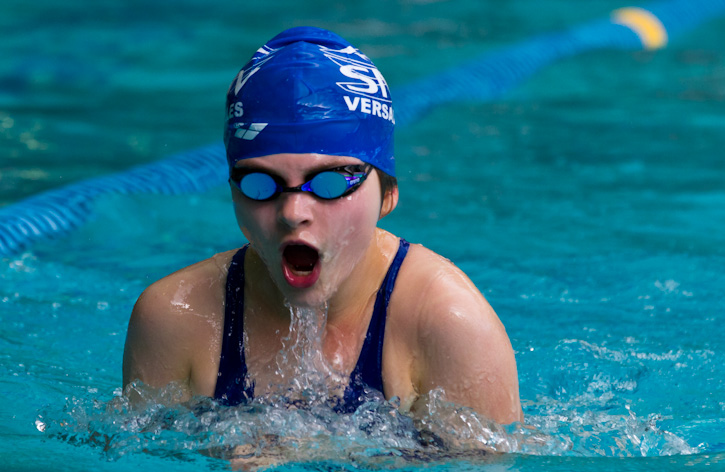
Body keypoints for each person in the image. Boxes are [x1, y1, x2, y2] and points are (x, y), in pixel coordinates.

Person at [122, 26, 522, 426]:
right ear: (232, 191)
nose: (293, 212)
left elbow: (488, 468)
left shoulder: (449, 325)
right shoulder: (175, 318)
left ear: (388, 194)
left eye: (330, 183)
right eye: (261, 184)